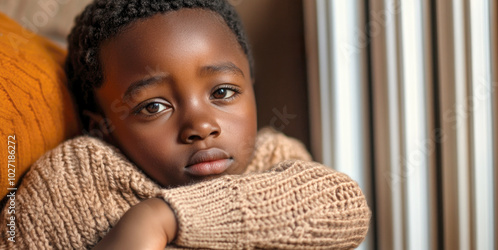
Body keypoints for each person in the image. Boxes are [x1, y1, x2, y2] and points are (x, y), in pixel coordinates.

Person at [0, 0, 371, 249]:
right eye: (154, 106)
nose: (201, 125)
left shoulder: (273, 156)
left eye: (224, 91)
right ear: (103, 126)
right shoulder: (72, 181)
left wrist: (162, 218)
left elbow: (342, 204)